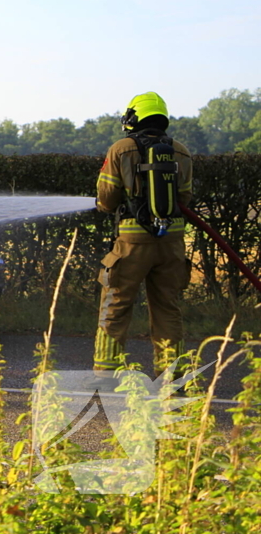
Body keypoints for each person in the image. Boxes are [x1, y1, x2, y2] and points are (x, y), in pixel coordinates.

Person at [93, 91, 193, 381]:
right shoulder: (182, 151)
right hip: (171, 245)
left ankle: (105, 377)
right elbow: (184, 199)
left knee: (115, 305)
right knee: (167, 310)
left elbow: (108, 198)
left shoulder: (121, 149)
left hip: (131, 245)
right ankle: (172, 380)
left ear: (133, 118)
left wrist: (103, 204)